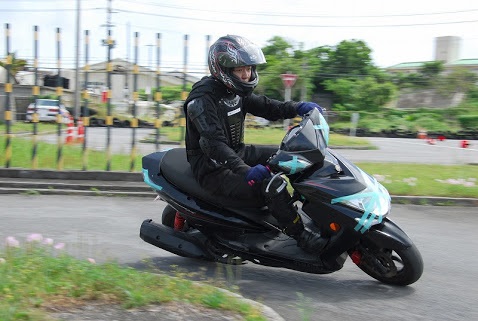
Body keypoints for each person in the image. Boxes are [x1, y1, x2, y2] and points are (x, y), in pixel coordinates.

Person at [183, 35, 327, 254]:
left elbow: (269, 107)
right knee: (270, 184)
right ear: (223, 69)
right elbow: (214, 145)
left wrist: (300, 107)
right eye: (240, 69)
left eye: (249, 68)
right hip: (212, 167)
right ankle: (299, 233)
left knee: (295, 157)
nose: (246, 74)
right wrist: (246, 171)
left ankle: (315, 210)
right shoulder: (202, 99)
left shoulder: (237, 92)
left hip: (236, 153)